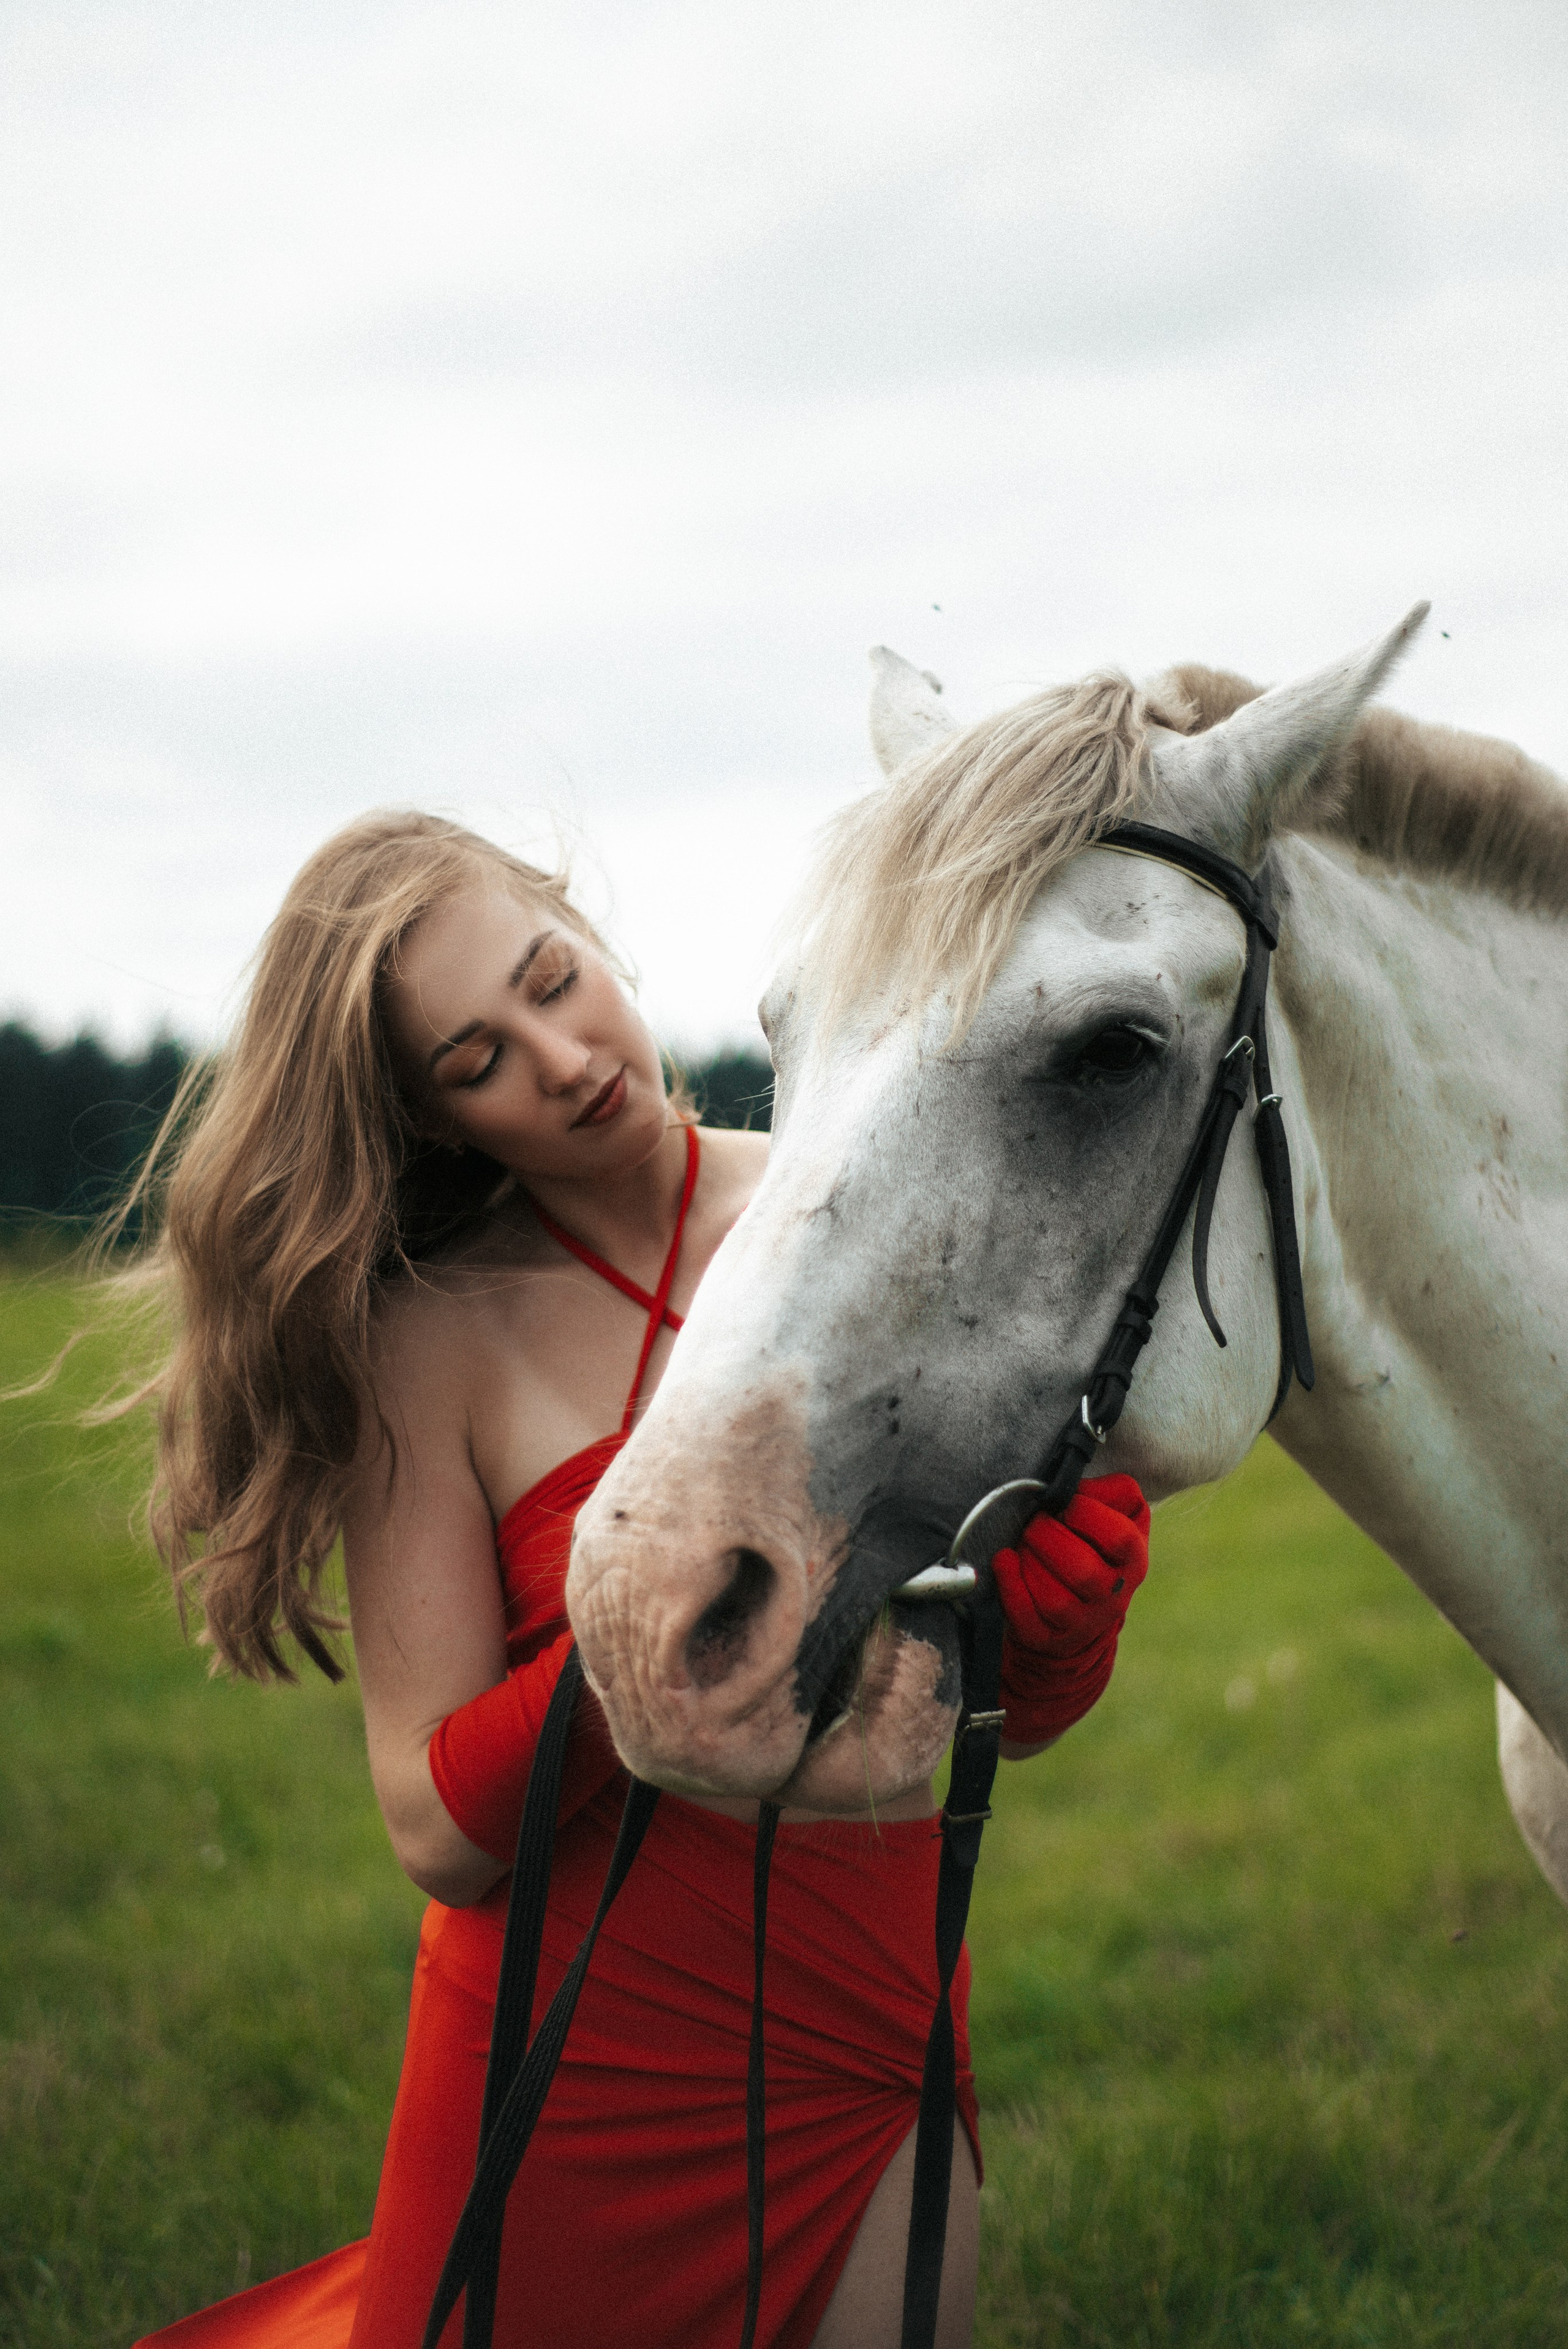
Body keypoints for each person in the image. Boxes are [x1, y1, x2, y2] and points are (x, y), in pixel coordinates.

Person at [126, 811, 1150, 2349]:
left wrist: (1059, 1634)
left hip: (859, 2026)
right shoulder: (434, 1339)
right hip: (555, 2045)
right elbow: (432, 1825)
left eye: (552, 976)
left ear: (586, 927)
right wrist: (655, 1638)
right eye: (476, 1060)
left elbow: (984, 1700)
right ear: (433, 1121)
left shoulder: (872, 1231)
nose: (557, 1053)